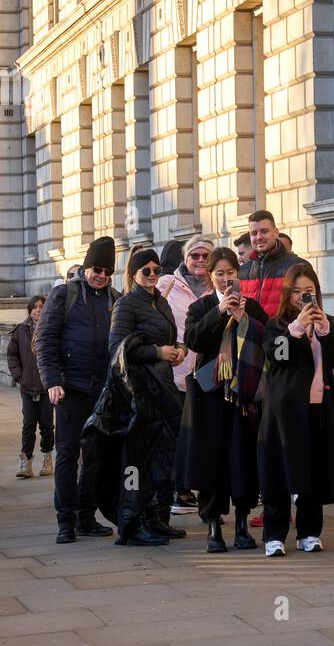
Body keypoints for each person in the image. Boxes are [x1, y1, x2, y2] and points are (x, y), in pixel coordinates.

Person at [175, 248, 268, 552]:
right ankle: (214, 527)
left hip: (243, 396)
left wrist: (243, 320)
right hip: (210, 396)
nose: (226, 279)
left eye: (231, 273)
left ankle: (242, 525)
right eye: (219, 273)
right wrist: (220, 313)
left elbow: (267, 338)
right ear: (210, 275)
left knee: (242, 460)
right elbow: (193, 340)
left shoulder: (250, 306)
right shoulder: (201, 307)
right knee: (211, 462)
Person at [257, 262, 334, 556]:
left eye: (308, 291)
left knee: (314, 470)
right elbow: (276, 354)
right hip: (285, 410)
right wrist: (297, 327)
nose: (302, 297)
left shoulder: (328, 324)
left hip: (319, 407)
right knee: (280, 471)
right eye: (296, 292)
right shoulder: (277, 324)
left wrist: (323, 330)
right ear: (288, 294)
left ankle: (309, 532)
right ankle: (274, 534)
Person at [35, 239, 119, 543]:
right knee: (67, 456)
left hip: (102, 393)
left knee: (95, 459)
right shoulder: (64, 295)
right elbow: (44, 341)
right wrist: (52, 380)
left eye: (108, 271)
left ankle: (86, 517)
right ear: (86, 267)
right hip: (69, 390)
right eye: (97, 269)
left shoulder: (115, 299)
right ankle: (65, 521)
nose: (101, 275)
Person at [104, 247, 188, 544]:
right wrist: (157, 352)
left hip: (162, 389)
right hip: (138, 392)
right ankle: (132, 524)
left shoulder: (160, 302)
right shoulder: (126, 305)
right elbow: (117, 348)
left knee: (160, 457)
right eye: (146, 271)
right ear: (134, 274)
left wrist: (178, 350)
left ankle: (156, 518)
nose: (152, 275)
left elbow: (170, 338)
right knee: (135, 460)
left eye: (156, 270)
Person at [157, 235, 214, 514]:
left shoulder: (221, 286)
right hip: (175, 373)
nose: (201, 260)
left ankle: (202, 490)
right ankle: (177, 490)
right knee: (176, 434)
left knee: (202, 434)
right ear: (185, 258)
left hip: (209, 373)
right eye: (195, 256)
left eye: (206, 256)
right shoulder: (166, 285)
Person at [7, 296, 53, 479]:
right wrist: (19, 376)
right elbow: (12, 355)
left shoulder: (51, 328)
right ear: (29, 310)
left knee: (47, 426)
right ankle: (25, 463)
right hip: (27, 387)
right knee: (28, 426)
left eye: (42, 306)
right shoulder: (21, 330)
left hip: (46, 387)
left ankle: (47, 459)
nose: (38, 310)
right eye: (34, 307)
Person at [239, 210, 303, 318]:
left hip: (284, 334)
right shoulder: (242, 271)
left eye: (264, 231)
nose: (259, 237)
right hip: (251, 333)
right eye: (254, 233)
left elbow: (309, 308)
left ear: (276, 233)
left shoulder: (298, 266)